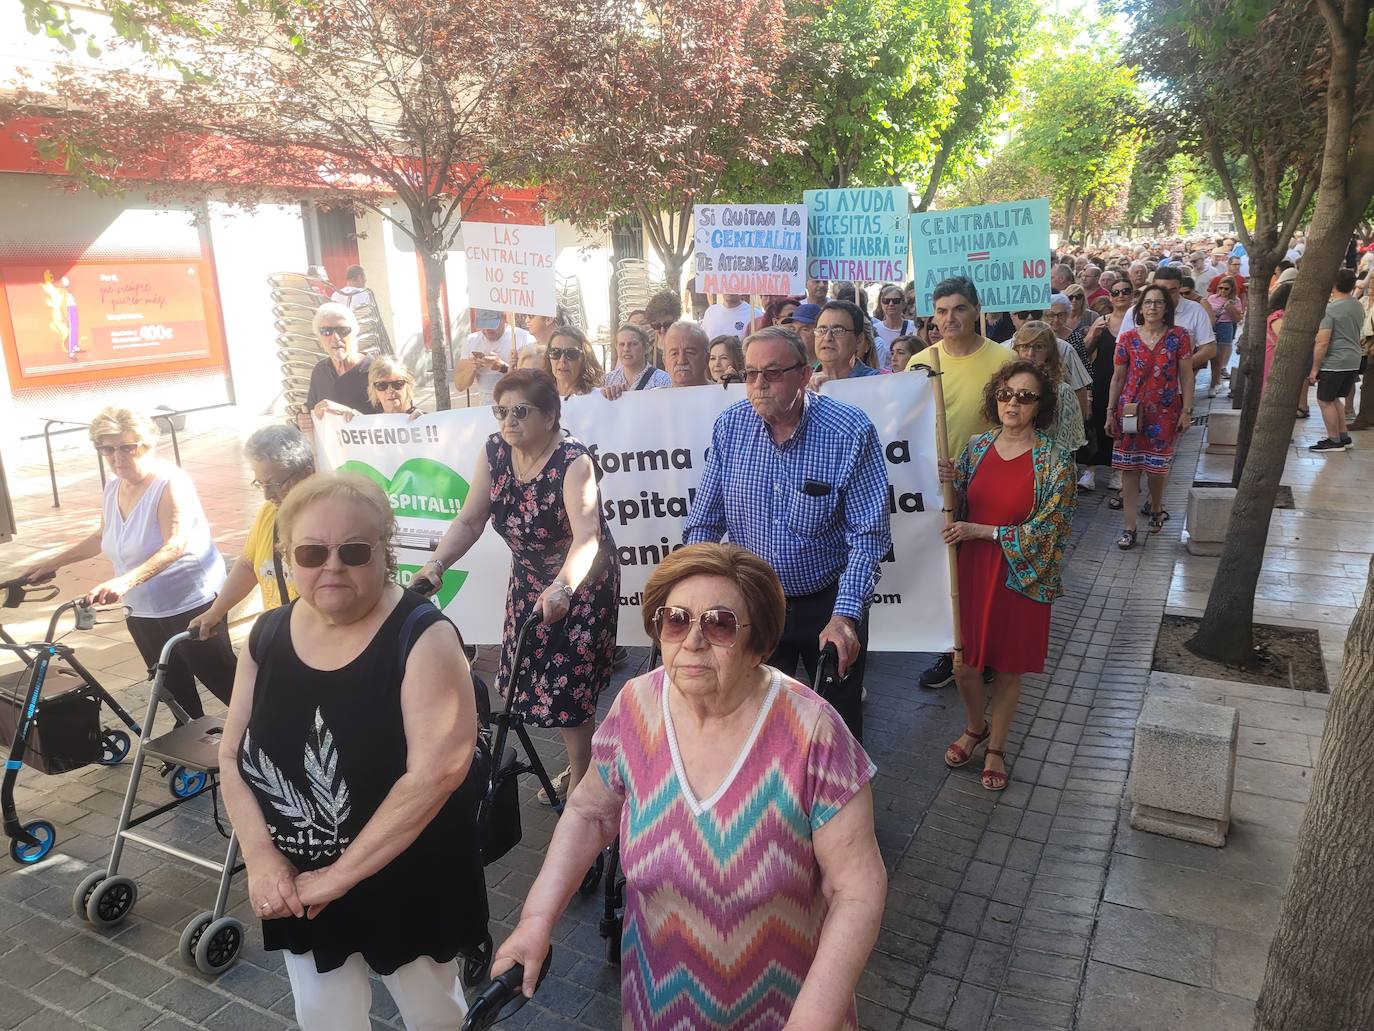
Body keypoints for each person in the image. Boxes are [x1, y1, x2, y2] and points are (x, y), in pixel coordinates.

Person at [491, 543, 885, 1028]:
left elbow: (857, 891)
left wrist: (814, 1016)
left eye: (719, 623)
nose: (692, 640)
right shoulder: (636, 705)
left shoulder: (813, 732)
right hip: (658, 1002)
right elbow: (590, 814)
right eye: (675, 619)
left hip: (787, 1008)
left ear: (759, 642)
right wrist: (536, 920)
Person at [217, 473, 487, 1030]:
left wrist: (339, 877)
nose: (331, 566)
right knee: (324, 1016)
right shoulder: (266, 636)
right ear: (288, 557)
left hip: (404, 877)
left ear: (383, 554)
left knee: (431, 1013)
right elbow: (231, 757)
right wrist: (263, 858)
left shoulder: (422, 636)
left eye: (355, 551)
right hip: (300, 879)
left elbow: (437, 773)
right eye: (312, 551)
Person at [412, 369, 619, 806]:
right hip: (529, 578)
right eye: (501, 411)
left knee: (570, 688)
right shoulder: (494, 452)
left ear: (550, 416)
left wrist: (562, 587)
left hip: (579, 581)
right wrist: (436, 565)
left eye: (520, 411)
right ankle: (582, 760)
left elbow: (587, 538)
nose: (508, 421)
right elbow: (470, 520)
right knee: (529, 677)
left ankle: (583, 782)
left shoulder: (573, 460)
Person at [684, 326, 890, 742]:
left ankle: (836, 802)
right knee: (752, 715)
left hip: (825, 601)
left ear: (803, 373)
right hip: (755, 601)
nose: (759, 384)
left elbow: (868, 537)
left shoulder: (849, 431)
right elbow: (704, 523)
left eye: (773, 373)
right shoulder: (731, 427)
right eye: (751, 373)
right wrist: (693, 595)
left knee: (836, 721)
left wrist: (845, 618)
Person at [22, 407, 234, 720]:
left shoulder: (169, 483)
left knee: (221, 678)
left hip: (187, 600)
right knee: (169, 683)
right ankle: (192, 739)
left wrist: (123, 582)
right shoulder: (114, 486)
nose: (117, 457)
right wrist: (54, 562)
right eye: (107, 449)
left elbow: (175, 545)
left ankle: (272, 732)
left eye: (126, 447)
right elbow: (103, 535)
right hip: (141, 606)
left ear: (148, 445)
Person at [938, 360, 1075, 791]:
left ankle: (995, 746)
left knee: (1008, 668)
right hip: (972, 572)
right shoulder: (977, 446)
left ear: (1041, 406)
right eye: (1005, 393)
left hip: (1020, 575)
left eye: (1025, 396)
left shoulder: (1055, 462)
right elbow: (960, 496)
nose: (1012, 402)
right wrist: (949, 478)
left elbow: (1051, 530)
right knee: (964, 664)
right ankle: (975, 725)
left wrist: (986, 531)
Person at [907, 277, 1012, 691]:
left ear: (976, 311)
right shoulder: (919, 362)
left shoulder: (1002, 359)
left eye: (959, 309)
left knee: (981, 571)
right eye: (942, 310)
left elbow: (1017, 423)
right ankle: (950, 650)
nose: (950, 318)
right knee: (943, 571)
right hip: (934, 486)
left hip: (987, 482)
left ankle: (984, 650)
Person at [187, 425, 315, 639]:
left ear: (307, 474)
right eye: (260, 484)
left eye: (275, 483)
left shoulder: (326, 518)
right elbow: (248, 564)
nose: (267, 495)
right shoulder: (269, 512)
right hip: (282, 632)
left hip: (319, 634)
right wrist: (216, 611)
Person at [1107, 284, 1195, 548]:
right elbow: (1118, 376)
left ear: (1167, 308)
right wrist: (1110, 412)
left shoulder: (1179, 336)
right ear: (1140, 308)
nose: (1153, 307)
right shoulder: (1127, 339)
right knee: (1129, 470)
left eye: (1158, 302)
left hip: (1165, 412)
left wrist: (1187, 410)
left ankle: (1156, 506)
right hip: (1131, 411)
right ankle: (1129, 527)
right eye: (1148, 302)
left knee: (1157, 470)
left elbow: (1187, 376)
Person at [1071, 278, 1133, 491]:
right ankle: (1090, 470)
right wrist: (1093, 335)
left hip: (1129, 381)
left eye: (1126, 291)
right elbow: (1084, 353)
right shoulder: (1101, 320)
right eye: (1116, 292)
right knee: (1096, 423)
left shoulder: (1138, 321)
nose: (1121, 295)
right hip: (1101, 377)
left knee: (1125, 425)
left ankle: (1118, 470)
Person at [1119, 265, 1216, 376]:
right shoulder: (1134, 311)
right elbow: (1121, 349)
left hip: (1177, 386)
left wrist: (1178, 367)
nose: (1166, 296)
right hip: (1137, 384)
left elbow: (1210, 348)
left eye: (1172, 291)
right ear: (1153, 286)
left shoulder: (1195, 310)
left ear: (1180, 288)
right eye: (1162, 290)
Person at [1308, 267, 1365, 452]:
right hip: (1353, 359)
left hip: (1335, 361)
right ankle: (1343, 436)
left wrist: (1315, 369)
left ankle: (1334, 441)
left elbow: (1323, 342)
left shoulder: (1330, 309)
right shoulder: (1356, 304)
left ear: (1334, 284)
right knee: (1335, 399)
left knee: (1325, 401)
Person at [299, 303, 379, 432]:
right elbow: (310, 411)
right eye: (326, 331)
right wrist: (304, 420)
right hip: (333, 450)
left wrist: (353, 415)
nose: (335, 338)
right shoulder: (320, 371)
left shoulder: (377, 370)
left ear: (355, 334)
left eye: (342, 330)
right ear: (320, 339)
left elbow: (393, 419)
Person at [1012, 321, 1086, 457]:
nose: (1030, 353)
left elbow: (1065, 447)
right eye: (1024, 346)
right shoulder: (1008, 388)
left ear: (1049, 350)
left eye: (1038, 347)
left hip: (1048, 465)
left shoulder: (1062, 392)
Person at [454, 311, 535, 406]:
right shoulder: (472, 341)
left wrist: (503, 367)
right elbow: (459, 386)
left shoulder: (523, 338)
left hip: (518, 406)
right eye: (483, 325)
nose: (487, 330)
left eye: (492, 325)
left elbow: (533, 380)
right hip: (486, 407)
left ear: (504, 318)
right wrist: (472, 368)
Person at [814, 300, 882, 383]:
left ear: (859, 340)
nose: (827, 338)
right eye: (822, 330)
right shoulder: (802, 382)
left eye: (838, 330)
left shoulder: (876, 383)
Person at [1205, 276, 1244, 398]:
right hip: (1211, 326)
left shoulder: (1235, 301)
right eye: (1220, 288)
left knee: (1219, 357)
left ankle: (1215, 383)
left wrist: (1229, 307)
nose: (1222, 291)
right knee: (1209, 354)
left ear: (1232, 289)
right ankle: (1214, 381)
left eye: (1226, 289)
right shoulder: (1211, 298)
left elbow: (1237, 319)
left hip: (1226, 326)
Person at [541, 325, 606, 399]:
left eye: (571, 353)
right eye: (555, 352)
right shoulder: (539, 397)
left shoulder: (599, 397)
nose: (562, 360)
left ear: (584, 358)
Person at [604, 322, 671, 391]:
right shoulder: (608, 381)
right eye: (621, 344)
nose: (626, 349)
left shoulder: (663, 380)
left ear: (646, 348)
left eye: (633, 344)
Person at [872, 284, 913, 368]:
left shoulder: (914, 327)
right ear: (881, 304)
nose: (890, 304)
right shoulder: (874, 329)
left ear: (903, 304)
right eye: (886, 301)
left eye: (896, 301)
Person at [661, 321, 711, 387]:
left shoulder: (724, 395)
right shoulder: (654, 396)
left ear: (706, 359)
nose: (681, 361)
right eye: (674, 354)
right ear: (665, 361)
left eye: (690, 353)